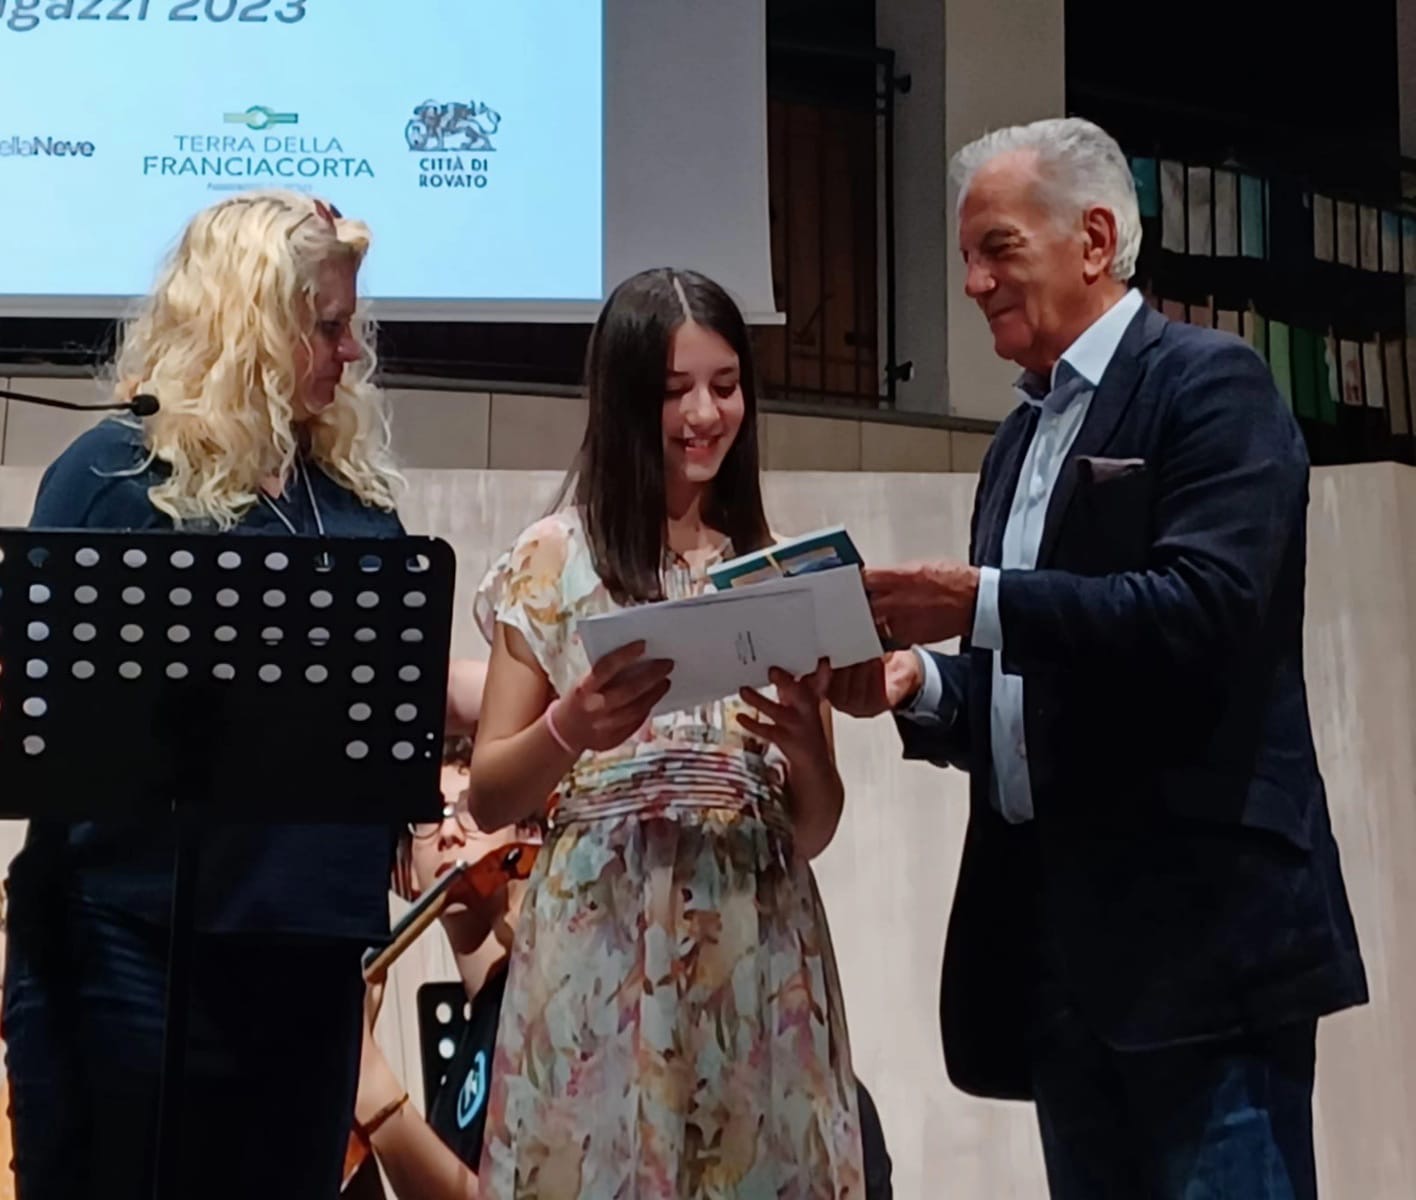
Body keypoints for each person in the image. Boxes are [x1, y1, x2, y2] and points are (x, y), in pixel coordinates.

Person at [828, 118, 1367, 1199]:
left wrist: (971, 600)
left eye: (998, 249)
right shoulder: (1014, 444)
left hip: (1203, 953)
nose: (973, 283)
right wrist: (918, 681)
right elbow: (1036, 688)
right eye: (966, 257)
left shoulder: (1213, 385)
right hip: (1059, 963)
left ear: (1096, 239)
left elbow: (1204, 610)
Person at [1, 189, 464, 1199]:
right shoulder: (116, 477)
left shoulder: (352, 505)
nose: (350, 352)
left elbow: (401, 691)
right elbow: (41, 695)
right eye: (328, 327)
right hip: (124, 955)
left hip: (308, 965)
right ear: (250, 327)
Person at [467, 269, 864, 1198]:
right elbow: (488, 793)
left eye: (726, 386)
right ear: (623, 399)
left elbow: (812, 830)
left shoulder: (777, 569)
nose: (704, 414)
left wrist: (807, 749)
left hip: (755, 937)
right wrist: (570, 726)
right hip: (601, 935)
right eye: (676, 389)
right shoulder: (554, 557)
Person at [351, 668, 895, 1200]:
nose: (449, 832)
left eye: (465, 813)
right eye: (430, 817)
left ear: (535, 831)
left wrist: (375, 1091)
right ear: (401, 872)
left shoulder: (557, 1003)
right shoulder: (494, 1039)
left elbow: (812, 826)